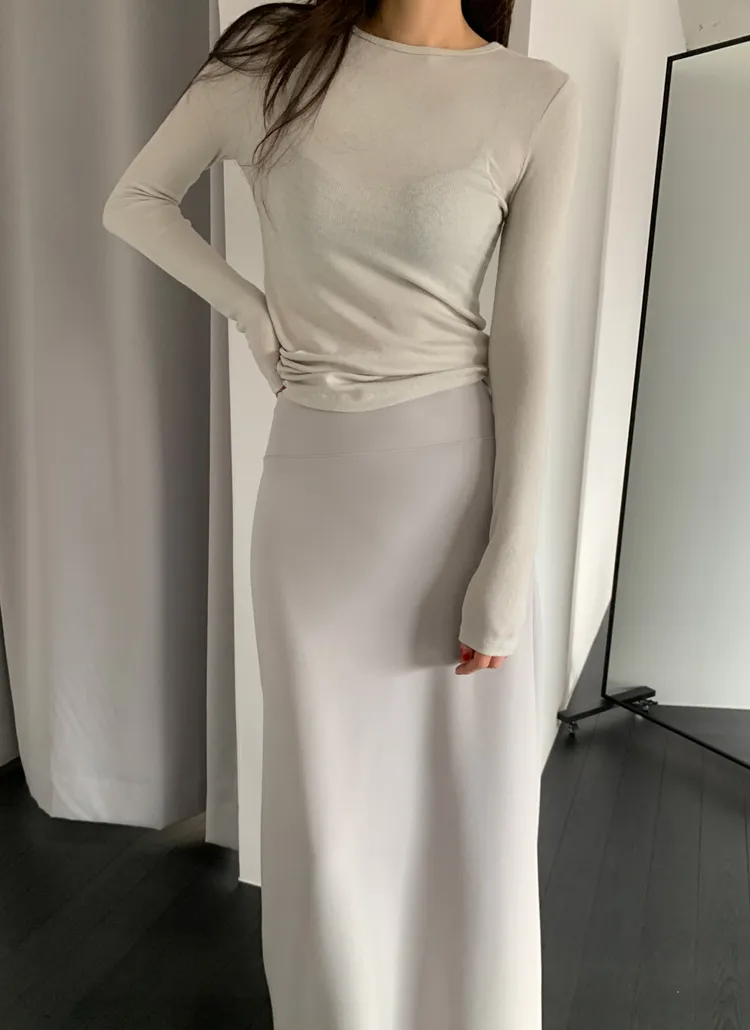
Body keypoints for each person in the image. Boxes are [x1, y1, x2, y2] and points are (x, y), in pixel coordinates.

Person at [102, 0, 580, 1025]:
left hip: (457, 489)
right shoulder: (271, 64)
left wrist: (510, 556)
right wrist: (249, 309)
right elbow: (135, 200)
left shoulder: (533, 96)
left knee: (471, 807)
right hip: (315, 495)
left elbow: (528, 337)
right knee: (330, 807)